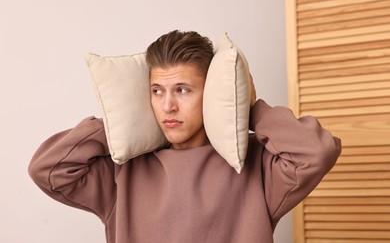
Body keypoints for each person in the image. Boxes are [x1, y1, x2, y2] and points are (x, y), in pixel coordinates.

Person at [28, 30, 341, 243]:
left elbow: (316, 152)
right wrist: (117, 123)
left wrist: (247, 108)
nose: (168, 106)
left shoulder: (257, 166)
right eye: (156, 91)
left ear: (212, 93)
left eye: (182, 90)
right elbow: (48, 169)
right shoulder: (123, 172)